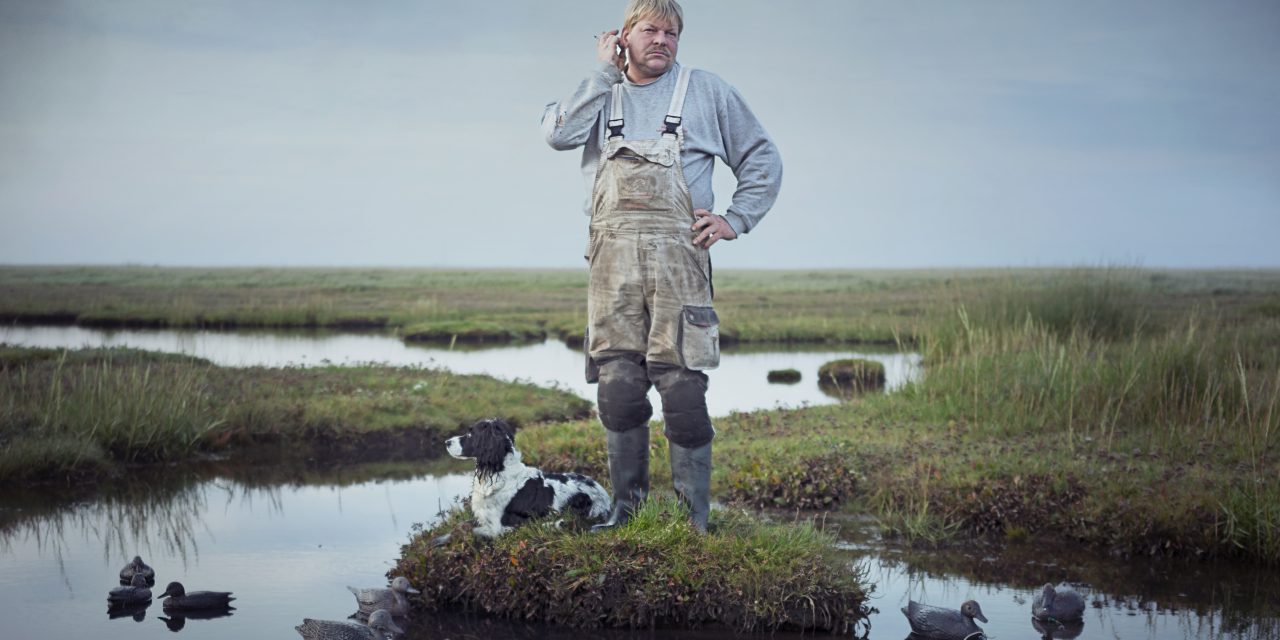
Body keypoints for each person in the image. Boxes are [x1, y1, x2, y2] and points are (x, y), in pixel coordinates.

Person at [541, 0, 781, 532]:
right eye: (651, 29)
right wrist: (602, 73)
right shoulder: (599, 92)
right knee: (619, 382)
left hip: (681, 257)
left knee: (683, 386)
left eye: (672, 32)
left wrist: (734, 219)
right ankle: (628, 511)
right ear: (623, 36)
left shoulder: (707, 90)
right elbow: (557, 135)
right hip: (612, 259)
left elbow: (762, 157)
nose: (663, 40)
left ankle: (691, 517)